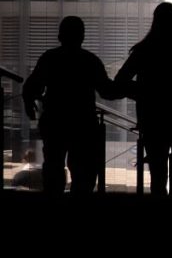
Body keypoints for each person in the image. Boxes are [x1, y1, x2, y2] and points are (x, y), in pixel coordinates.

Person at [115, 3, 172, 197]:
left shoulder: (144, 50)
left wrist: (143, 92)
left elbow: (120, 81)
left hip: (153, 119)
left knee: (157, 174)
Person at [22, 16, 118, 196]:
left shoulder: (49, 58)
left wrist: (29, 104)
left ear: (60, 36)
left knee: (53, 166)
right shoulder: (90, 61)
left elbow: (32, 86)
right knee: (83, 174)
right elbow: (107, 91)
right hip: (83, 123)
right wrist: (130, 87)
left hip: (55, 121)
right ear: (82, 37)